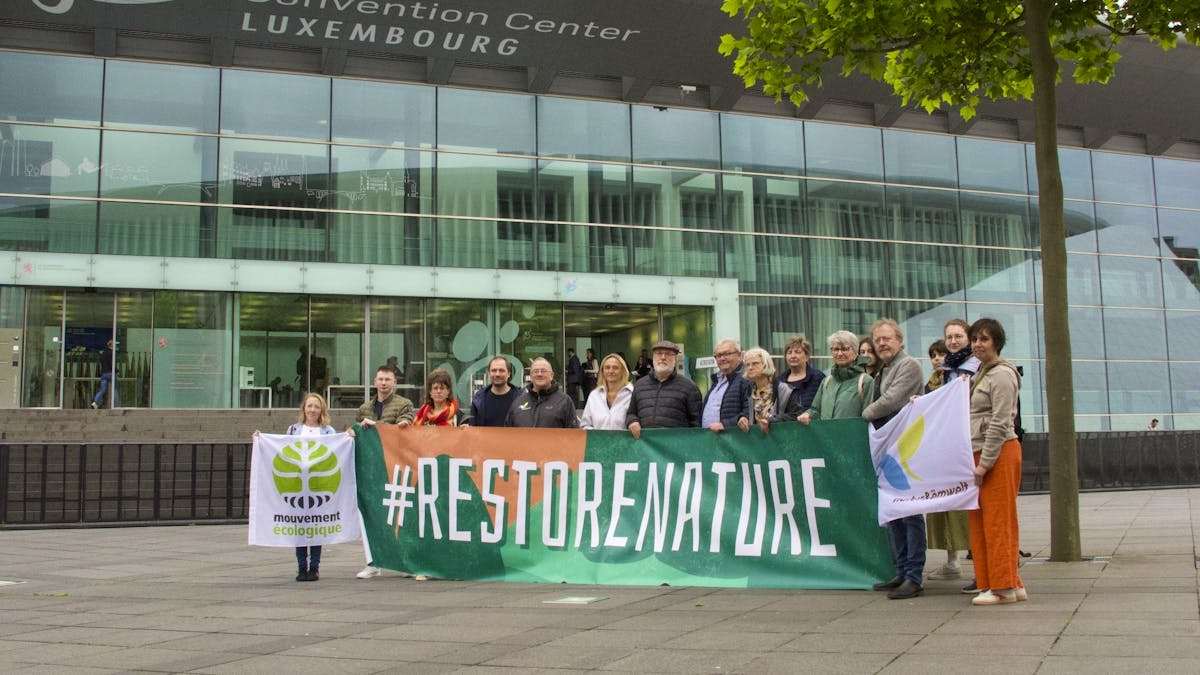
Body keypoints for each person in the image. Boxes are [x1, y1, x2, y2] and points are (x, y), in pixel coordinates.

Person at [860, 318, 926, 600]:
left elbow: (892, 400)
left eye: (887, 338)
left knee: (910, 513)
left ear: (899, 340)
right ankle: (900, 570)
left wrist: (862, 415)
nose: (882, 343)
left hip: (906, 448)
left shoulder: (908, 365)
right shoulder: (883, 370)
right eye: (878, 340)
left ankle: (914, 575)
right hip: (888, 447)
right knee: (893, 513)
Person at [966, 317, 1028, 606]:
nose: (978, 344)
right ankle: (1007, 583)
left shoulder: (1001, 375)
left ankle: (1002, 587)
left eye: (984, 339)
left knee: (996, 521)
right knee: (983, 521)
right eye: (975, 339)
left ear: (996, 343)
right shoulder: (982, 373)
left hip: (998, 453)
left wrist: (984, 464)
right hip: (984, 452)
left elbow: (1001, 422)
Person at [927, 319, 979, 583]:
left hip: (971, 442)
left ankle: (986, 566)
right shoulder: (947, 371)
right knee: (949, 502)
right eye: (949, 337)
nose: (953, 341)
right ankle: (952, 560)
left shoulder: (975, 367)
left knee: (973, 506)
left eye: (958, 336)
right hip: (949, 443)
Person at [352, 365, 415, 580]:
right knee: (371, 518)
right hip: (371, 471)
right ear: (375, 382)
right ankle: (373, 562)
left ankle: (406, 562)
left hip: (395, 469)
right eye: (380, 379)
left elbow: (402, 431)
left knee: (401, 517)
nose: (384, 383)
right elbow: (357, 432)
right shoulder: (364, 408)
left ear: (394, 382)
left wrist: (376, 425)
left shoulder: (404, 404)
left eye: (388, 379)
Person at [283, 393, 336, 581]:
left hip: (319, 485)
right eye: (309, 406)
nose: (312, 410)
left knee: (316, 526)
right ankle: (301, 567)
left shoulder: (328, 431)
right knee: (299, 528)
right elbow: (283, 451)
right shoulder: (293, 430)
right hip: (297, 485)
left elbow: (335, 453)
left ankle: (314, 567)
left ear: (321, 409)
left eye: (316, 406)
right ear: (304, 408)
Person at [626, 340, 702, 439]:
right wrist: (632, 421)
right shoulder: (640, 385)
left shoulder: (689, 387)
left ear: (675, 359)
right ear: (653, 358)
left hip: (676, 448)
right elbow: (631, 413)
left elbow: (697, 423)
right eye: (658, 353)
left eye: (668, 354)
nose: (663, 357)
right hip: (645, 448)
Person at [798, 331, 875, 423]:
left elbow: (869, 418)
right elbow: (816, 410)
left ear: (855, 353)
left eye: (844, 349)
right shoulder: (826, 382)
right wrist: (808, 415)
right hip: (826, 436)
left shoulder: (865, 381)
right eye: (835, 349)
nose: (839, 353)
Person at [506, 357, 579, 428]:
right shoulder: (518, 402)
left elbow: (573, 435)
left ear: (551, 375)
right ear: (531, 376)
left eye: (543, 371)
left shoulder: (564, 402)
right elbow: (508, 434)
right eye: (535, 371)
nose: (539, 374)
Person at [773, 335, 825, 422]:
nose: (793, 356)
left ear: (807, 356)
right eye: (789, 352)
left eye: (797, 352)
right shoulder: (779, 381)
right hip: (785, 429)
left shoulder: (817, 377)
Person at [701, 339, 749, 433]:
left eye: (727, 354)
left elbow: (749, 411)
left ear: (739, 356)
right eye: (718, 355)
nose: (722, 358)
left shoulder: (746, 378)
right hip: (710, 440)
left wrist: (725, 424)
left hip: (732, 440)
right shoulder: (716, 380)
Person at [580, 353, 634, 430]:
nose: (611, 371)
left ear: (623, 371)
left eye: (615, 368)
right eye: (607, 367)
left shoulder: (632, 394)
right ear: (602, 371)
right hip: (598, 441)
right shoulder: (594, 395)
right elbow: (585, 425)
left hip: (624, 442)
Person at [471, 356, 521, 427]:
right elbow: (473, 428)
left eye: (501, 370)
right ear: (489, 373)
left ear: (509, 374)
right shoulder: (478, 399)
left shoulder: (521, 398)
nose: (497, 374)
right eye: (494, 370)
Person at [736, 347, 776, 433]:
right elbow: (745, 412)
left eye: (755, 363)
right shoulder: (749, 390)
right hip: (756, 440)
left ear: (766, 364)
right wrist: (742, 418)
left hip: (779, 438)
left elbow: (792, 415)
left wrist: (771, 421)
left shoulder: (780, 388)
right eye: (747, 364)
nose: (750, 368)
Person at [90, 339, 117, 409]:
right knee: (114, 389)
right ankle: (116, 405)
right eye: (115, 345)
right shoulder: (112, 353)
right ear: (112, 346)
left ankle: (95, 402)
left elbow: (102, 363)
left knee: (102, 390)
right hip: (111, 373)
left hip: (104, 373)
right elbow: (112, 364)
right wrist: (117, 371)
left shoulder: (103, 353)